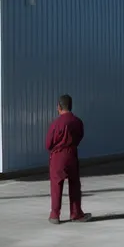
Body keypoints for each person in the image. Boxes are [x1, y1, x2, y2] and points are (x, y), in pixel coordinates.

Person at [45, 94, 90, 224]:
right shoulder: (77, 122)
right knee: (74, 184)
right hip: (72, 154)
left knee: (56, 185)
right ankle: (76, 214)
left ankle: (55, 215)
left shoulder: (56, 123)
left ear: (59, 107)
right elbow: (80, 136)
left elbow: (48, 144)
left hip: (58, 156)